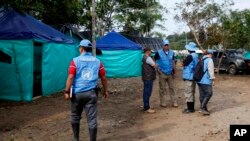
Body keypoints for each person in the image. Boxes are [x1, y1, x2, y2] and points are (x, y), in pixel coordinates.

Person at [64, 39, 108, 141]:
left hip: (77, 94)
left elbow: (70, 77)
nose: (79, 49)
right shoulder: (98, 62)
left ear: (82, 49)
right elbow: (104, 78)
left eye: (79, 47)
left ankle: (76, 139)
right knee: (92, 119)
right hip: (91, 94)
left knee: (75, 116)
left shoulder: (75, 61)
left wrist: (66, 92)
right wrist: (105, 91)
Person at [154, 39, 178, 108]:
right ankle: (162, 102)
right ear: (163, 45)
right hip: (162, 72)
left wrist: (175, 72)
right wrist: (157, 69)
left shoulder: (172, 52)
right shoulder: (158, 53)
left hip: (170, 73)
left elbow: (173, 62)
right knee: (162, 88)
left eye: (167, 45)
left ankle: (174, 102)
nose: (166, 46)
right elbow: (154, 60)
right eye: (165, 45)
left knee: (172, 88)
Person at [182, 42, 199, 113]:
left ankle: (190, 109)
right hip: (193, 77)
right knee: (192, 92)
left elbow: (184, 63)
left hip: (189, 77)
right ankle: (191, 108)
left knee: (188, 93)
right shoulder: (196, 55)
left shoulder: (190, 56)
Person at [197, 50, 215, 115]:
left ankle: (205, 109)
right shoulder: (209, 60)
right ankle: (202, 108)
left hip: (199, 80)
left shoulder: (201, 59)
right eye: (212, 54)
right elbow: (211, 71)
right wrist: (212, 79)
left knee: (202, 95)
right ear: (210, 54)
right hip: (206, 80)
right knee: (209, 93)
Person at [142, 47, 157, 113]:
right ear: (148, 51)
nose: (151, 52)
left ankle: (146, 106)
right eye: (150, 51)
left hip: (146, 77)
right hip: (148, 77)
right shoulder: (148, 58)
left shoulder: (144, 57)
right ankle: (147, 107)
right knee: (147, 92)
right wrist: (156, 65)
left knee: (146, 92)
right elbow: (154, 65)